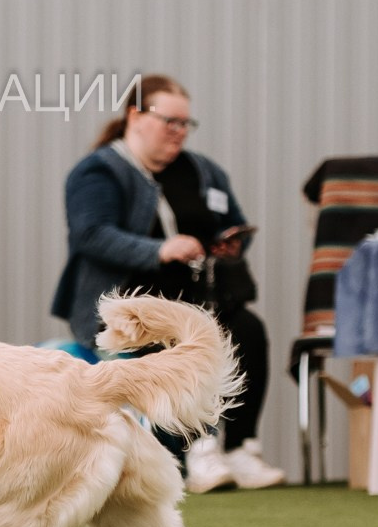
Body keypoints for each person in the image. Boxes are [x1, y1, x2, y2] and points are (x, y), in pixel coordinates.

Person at [48, 75, 284, 493]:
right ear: (135, 115)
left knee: (248, 330)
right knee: (170, 347)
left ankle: (243, 448)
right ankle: (199, 450)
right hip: (131, 310)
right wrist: (160, 250)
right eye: (169, 121)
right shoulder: (99, 171)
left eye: (185, 124)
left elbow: (232, 222)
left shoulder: (202, 171)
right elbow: (91, 234)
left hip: (202, 300)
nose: (178, 132)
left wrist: (232, 243)